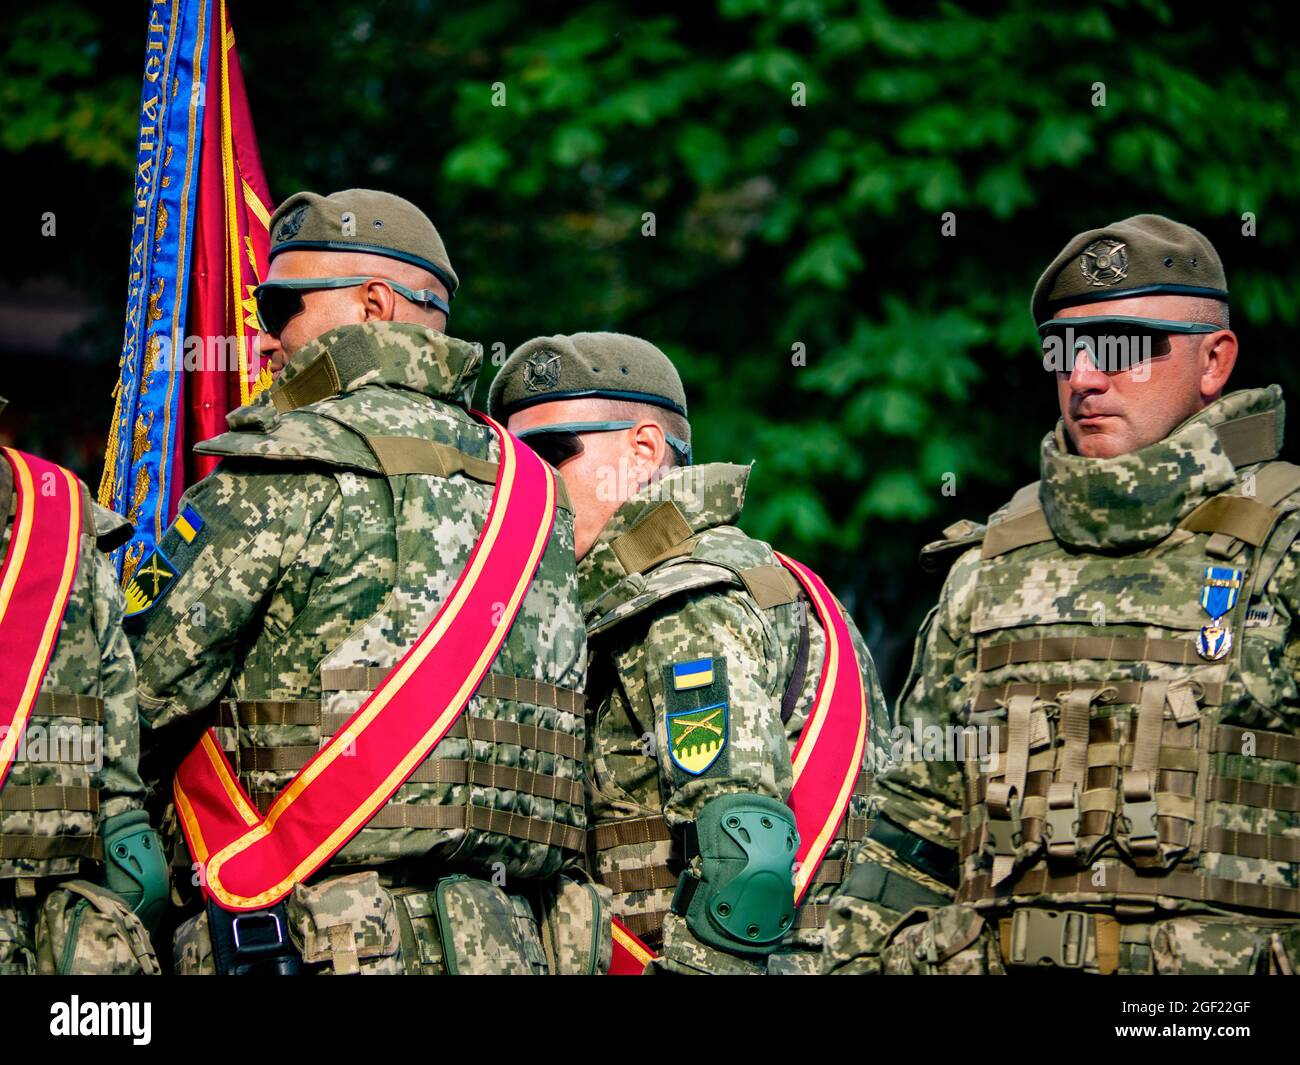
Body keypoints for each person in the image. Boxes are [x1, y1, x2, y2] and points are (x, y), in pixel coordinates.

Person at [127, 189, 605, 975]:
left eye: (283, 305)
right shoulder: (537, 496)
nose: (266, 335)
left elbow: (133, 694)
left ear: (375, 304)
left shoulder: (279, 466)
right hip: (515, 945)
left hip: (309, 943)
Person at [824, 214, 1300, 975]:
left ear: (1215, 361)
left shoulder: (1286, 549)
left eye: (1124, 345)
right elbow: (907, 840)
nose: (1084, 376)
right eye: (1064, 349)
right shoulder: (987, 567)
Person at [490, 332, 890, 974]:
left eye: (547, 455)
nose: (527, 481)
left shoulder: (685, 601)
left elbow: (747, 860)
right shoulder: (753, 575)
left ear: (643, 450)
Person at [0, 396, 165, 974]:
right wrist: (125, 818)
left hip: (66, 908)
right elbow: (120, 685)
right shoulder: (62, 512)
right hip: (66, 907)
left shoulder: (62, 513)